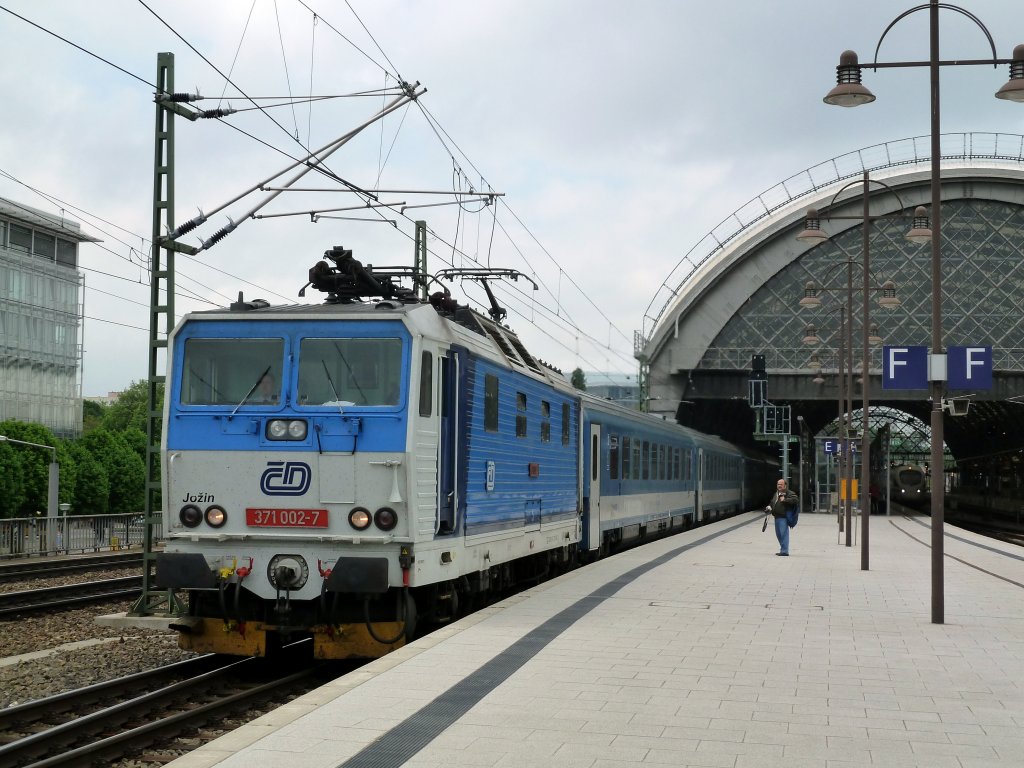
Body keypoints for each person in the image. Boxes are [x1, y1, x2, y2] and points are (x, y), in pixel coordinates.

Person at [767, 478, 799, 556]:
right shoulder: (776, 493)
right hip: (776, 517)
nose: (779, 486)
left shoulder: (789, 493)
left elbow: (795, 500)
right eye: (778, 484)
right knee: (779, 535)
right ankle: (783, 549)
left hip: (783, 517)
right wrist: (769, 507)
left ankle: (784, 551)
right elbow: (772, 502)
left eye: (781, 484)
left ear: (785, 486)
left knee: (783, 534)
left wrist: (785, 500)